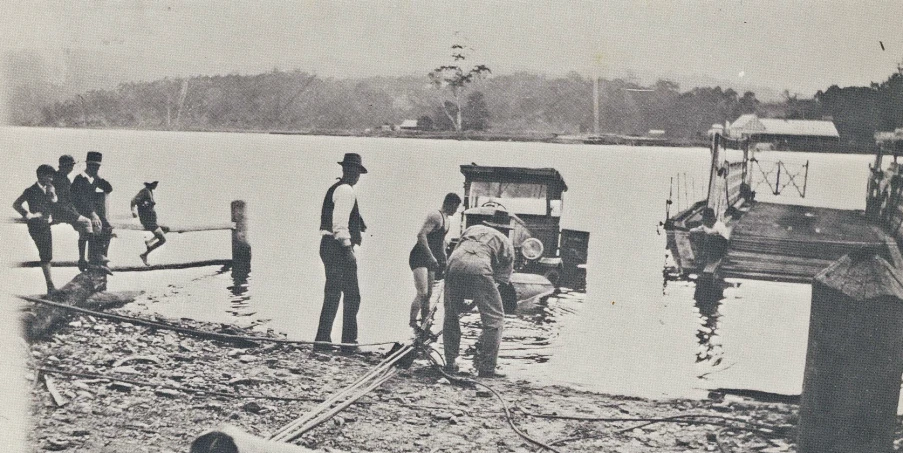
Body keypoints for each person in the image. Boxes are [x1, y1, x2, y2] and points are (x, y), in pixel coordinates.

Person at [443, 209, 515, 378]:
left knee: (451, 314)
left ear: (489, 224)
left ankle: (450, 362)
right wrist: (477, 302)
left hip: (453, 263)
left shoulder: (472, 228)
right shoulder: (507, 244)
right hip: (481, 268)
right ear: (506, 229)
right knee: (495, 320)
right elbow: (497, 284)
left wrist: (469, 301)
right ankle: (487, 368)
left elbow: (460, 250)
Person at [314, 153, 368, 353]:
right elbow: (339, 224)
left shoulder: (336, 188)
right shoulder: (346, 190)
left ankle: (323, 340)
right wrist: (347, 248)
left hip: (328, 245)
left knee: (334, 293)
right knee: (351, 295)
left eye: (358, 172)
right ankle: (347, 342)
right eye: (355, 171)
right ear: (348, 171)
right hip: (337, 247)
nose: (356, 176)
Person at [408, 192, 462, 330]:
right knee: (422, 293)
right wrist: (431, 256)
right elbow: (421, 235)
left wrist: (444, 257)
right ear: (449, 204)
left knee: (429, 295)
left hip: (431, 260)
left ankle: (425, 324)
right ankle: (412, 323)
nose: (456, 210)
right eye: (455, 207)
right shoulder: (435, 216)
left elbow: (440, 241)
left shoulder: (447, 220)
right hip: (419, 256)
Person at [13, 164, 58, 294]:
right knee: (45, 255)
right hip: (36, 225)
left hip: (46, 224)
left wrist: (52, 192)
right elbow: (16, 204)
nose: (51, 178)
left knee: (48, 255)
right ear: (41, 176)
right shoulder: (30, 190)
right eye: (48, 176)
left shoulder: (49, 189)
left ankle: (50, 286)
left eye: (52, 176)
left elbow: (54, 203)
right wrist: (29, 215)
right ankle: (50, 285)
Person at [71, 151, 114, 270]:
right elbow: (80, 200)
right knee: (95, 227)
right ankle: (94, 258)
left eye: (98, 166)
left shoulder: (94, 179)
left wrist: (98, 178)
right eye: (93, 166)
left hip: (92, 211)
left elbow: (109, 188)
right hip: (81, 211)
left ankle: (99, 256)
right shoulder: (79, 179)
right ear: (88, 165)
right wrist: (93, 214)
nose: (96, 168)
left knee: (107, 227)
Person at [52, 154, 93, 236]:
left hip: (63, 210)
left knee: (83, 225)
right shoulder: (60, 179)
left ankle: (84, 247)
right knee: (87, 222)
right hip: (61, 212)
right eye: (71, 166)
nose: (72, 168)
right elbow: (62, 201)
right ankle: (92, 246)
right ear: (65, 166)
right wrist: (74, 213)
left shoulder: (63, 178)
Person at [131, 181, 166, 266]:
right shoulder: (145, 191)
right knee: (163, 240)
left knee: (166, 228)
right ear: (151, 184)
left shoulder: (149, 192)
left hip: (151, 220)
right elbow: (133, 201)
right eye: (155, 183)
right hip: (147, 220)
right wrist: (133, 211)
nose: (156, 185)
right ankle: (145, 254)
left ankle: (149, 242)